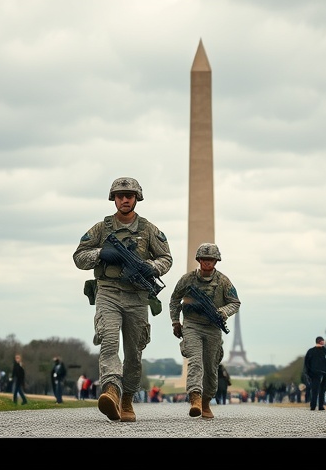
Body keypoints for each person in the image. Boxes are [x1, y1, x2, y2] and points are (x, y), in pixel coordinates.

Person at [73, 177, 173, 422]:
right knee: (108, 342)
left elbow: (166, 259)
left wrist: (151, 267)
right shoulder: (101, 228)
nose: (125, 199)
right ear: (114, 199)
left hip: (137, 296)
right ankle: (111, 390)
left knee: (134, 353)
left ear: (136, 198)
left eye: (129, 195)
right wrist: (101, 253)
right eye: (120, 196)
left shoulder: (149, 229)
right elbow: (79, 257)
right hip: (107, 292)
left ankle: (127, 399)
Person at [169, 242, 240, 419]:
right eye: (204, 259)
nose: (207, 263)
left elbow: (235, 302)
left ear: (216, 261)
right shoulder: (187, 279)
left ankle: (206, 401)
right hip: (192, 325)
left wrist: (223, 312)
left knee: (210, 367)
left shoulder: (223, 281)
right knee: (195, 362)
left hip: (213, 328)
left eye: (211, 260)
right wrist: (175, 322)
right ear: (199, 260)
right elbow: (174, 300)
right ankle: (195, 397)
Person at [303, 336, 326, 411]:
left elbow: (306, 363)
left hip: (314, 372)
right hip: (325, 371)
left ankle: (313, 406)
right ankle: (321, 406)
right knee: (322, 389)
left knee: (314, 389)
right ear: (322, 342)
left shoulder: (310, 351)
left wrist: (307, 372)